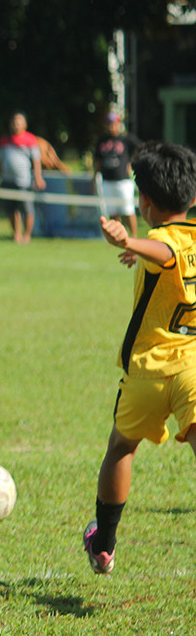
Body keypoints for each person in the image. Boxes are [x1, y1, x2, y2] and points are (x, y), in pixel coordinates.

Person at [83, 141, 196, 575]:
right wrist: (139, 249)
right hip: (192, 369)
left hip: (148, 370)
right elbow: (168, 257)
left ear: (143, 201)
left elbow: (165, 252)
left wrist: (130, 239)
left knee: (120, 448)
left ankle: (105, 543)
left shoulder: (159, 240)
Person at [0, 111, 45, 244]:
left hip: (24, 181)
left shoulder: (30, 140)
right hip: (7, 180)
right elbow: (0, 161)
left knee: (27, 208)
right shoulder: (4, 141)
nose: (15, 125)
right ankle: (16, 234)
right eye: (13, 122)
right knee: (11, 209)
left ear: (24, 125)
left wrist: (38, 178)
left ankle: (27, 235)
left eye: (18, 122)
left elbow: (36, 160)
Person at [93, 111, 144, 238]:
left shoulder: (126, 139)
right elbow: (98, 161)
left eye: (113, 123)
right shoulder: (102, 141)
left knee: (127, 210)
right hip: (107, 181)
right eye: (109, 123)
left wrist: (131, 162)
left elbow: (141, 148)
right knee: (113, 212)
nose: (111, 126)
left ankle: (133, 236)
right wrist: (94, 178)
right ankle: (117, 237)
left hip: (123, 181)